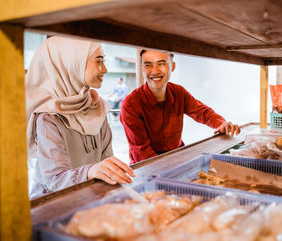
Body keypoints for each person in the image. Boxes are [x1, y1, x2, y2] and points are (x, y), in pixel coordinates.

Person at [26, 36, 135, 199]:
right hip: (52, 207)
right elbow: (55, 180)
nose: (104, 69)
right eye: (98, 61)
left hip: (88, 198)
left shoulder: (96, 105)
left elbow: (106, 164)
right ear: (72, 65)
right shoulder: (49, 117)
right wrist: (91, 171)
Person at [120, 50, 241, 164]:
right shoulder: (130, 105)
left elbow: (202, 112)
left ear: (172, 66)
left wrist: (220, 124)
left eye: (161, 64)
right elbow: (142, 153)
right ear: (142, 69)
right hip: (146, 169)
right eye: (148, 65)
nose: (155, 71)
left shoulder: (178, 92)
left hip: (177, 158)